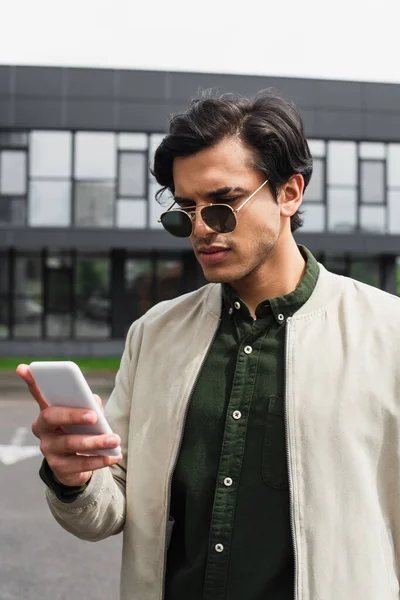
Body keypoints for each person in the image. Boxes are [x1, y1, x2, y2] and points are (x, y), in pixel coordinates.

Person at [17, 90, 400, 600]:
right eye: (185, 210)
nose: (200, 229)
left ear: (289, 193)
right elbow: (108, 512)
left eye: (222, 205)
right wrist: (74, 477)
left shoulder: (387, 334)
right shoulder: (153, 334)